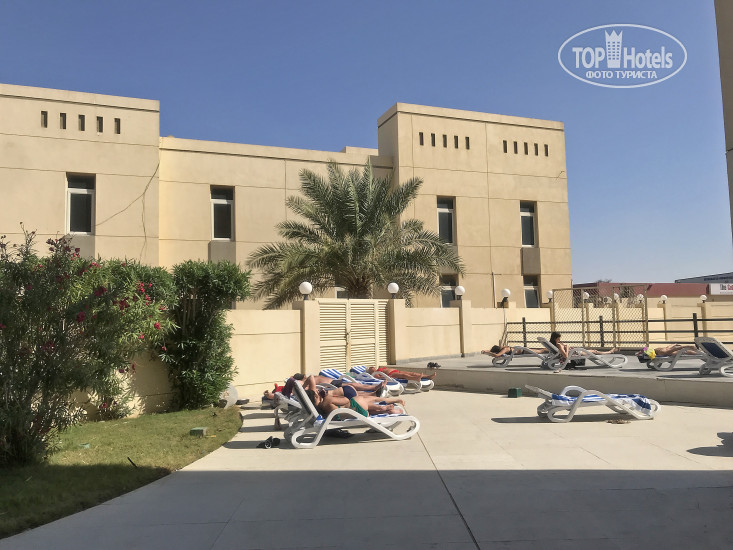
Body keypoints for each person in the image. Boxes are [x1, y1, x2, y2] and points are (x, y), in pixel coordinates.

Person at [549, 331, 620, 373]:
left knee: (593, 351)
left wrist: (565, 346)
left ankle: (610, 351)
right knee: (594, 351)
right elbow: (566, 356)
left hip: (574, 352)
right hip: (575, 353)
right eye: (559, 338)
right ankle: (610, 352)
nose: (560, 339)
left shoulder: (554, 344)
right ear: (555, 338)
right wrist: (567, 347)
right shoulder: (559, 345)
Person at [366, 366, 436, 381]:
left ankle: (428, 376)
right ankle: (415, 378)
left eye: (373, 367)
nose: (373, 368)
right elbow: (379, 377)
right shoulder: (374, 373)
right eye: (371, 368)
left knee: (412, 373)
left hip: (396, 371)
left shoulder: (378, 369)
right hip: (391, 375)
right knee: (404, 375)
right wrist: (388, 378)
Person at [481, 344, 546, 357]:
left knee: (540, 351)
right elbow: (493, 351)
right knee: (539, 350)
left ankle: (549, 349)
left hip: (523, 351)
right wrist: (486, 351)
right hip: (522, 350)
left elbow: (497, 355)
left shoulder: (504, 349)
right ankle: (548, 349)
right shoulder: (503, 348)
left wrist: (489, 353)